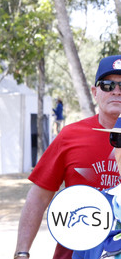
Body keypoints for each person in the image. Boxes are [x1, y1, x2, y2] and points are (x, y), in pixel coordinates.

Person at [14, 56, 121, 259]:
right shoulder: (70, 136)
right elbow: (38, 197)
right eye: (108, 85)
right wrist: (22, 252)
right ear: (95, 92)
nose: (116, 91)